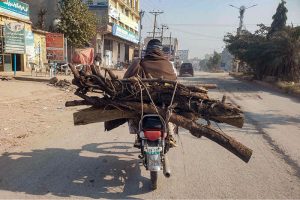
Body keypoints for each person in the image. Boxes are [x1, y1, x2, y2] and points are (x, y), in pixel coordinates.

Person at [124, 39, 178, 147]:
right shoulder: (169, 65)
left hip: (143, 101)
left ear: (147, 50)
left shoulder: (139, 62)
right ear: (160, 50)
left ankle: (137, 133)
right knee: (171, 111)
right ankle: (170, 135)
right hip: (164, 101)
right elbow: (175, 80)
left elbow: (126, 79)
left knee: (132, 110)